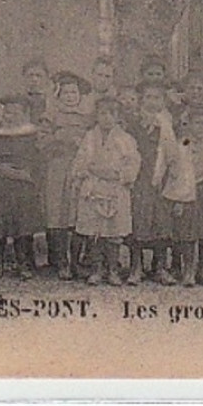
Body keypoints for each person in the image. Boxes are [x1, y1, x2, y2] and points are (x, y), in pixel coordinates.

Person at [70, 97, 141, 287]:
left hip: (116, 189)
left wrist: (117, 175)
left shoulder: (126, 139)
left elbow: (133, 164)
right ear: (97, 115)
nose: (107, 117)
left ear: (118, 117)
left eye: (112, 113)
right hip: (93, 187)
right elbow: (80, 162)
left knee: (113, 233)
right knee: (95, 232)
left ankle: (113, 269)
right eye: (103, 113)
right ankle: (96, 269)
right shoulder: (89, 138)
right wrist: (89, 171)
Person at [0, 94, 43, 280]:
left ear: (24, 114)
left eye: (16, 112)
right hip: (0, 185)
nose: (11, 116)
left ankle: (22, 264)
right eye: (8, 111)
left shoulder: (30, 134)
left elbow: (37, 157)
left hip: (22, 185)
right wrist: (0, 168)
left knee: (21, 227)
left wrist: (27, 172)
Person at [162, 104, 203, 286]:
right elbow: (176, 170)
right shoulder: (183, 144)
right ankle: (188, 269)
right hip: (188, 191)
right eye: (197, 123)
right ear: (189, 124)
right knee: (187, 233)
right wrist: (177, 199)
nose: (201, 127)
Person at [41, 71, 92, 279]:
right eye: (66, 93)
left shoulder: (87, 119)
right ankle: (61, 262)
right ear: (59, 96)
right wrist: (60, 139)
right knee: (58, 214)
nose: (71, 97)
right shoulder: (50, 117)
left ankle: (77, 261)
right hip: (57, 169)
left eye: (74, 93)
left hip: (80, 170)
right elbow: (41, 143)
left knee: (79, 215)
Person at [126, 83, 177, 284]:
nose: (152, 101)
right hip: (139, 180)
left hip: (160, 179)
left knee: (161, 222)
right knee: (138, 221)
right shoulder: (133, 124)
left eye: (157, 98)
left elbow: (173, 153)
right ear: (142, 100)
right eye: (148, 97)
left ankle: (160, 266)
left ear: (163, 102)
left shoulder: (167, 125)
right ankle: (136, 266)